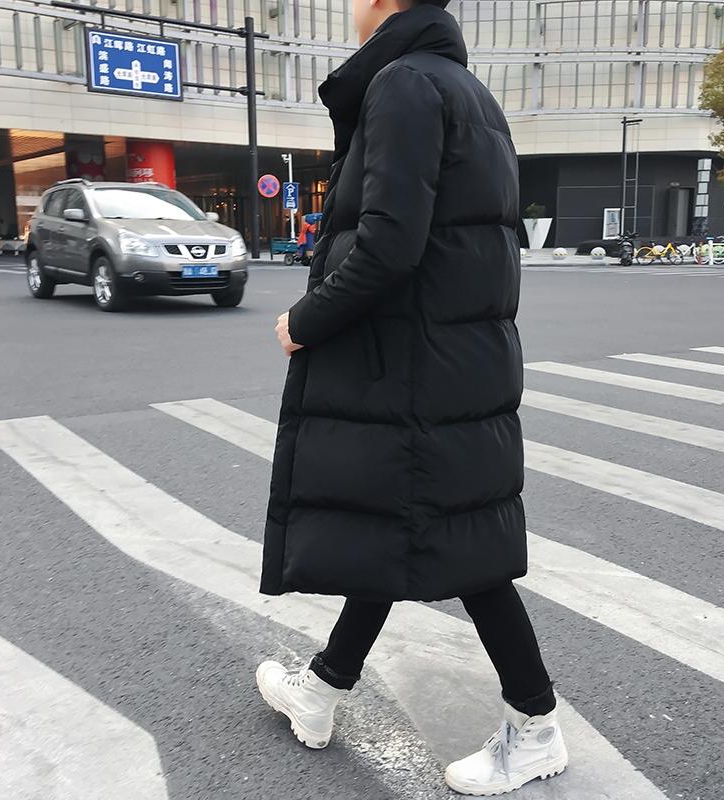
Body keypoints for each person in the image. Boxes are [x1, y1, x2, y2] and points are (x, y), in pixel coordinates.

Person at [257, 0, 568, 794]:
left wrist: (305, 321)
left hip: (417, 363)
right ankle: (322, 688)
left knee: (463, 549)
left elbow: (389, 243)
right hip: (455, 360)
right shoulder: (469, 93)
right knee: (407, 522)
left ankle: (537, 725)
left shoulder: (403, 84)